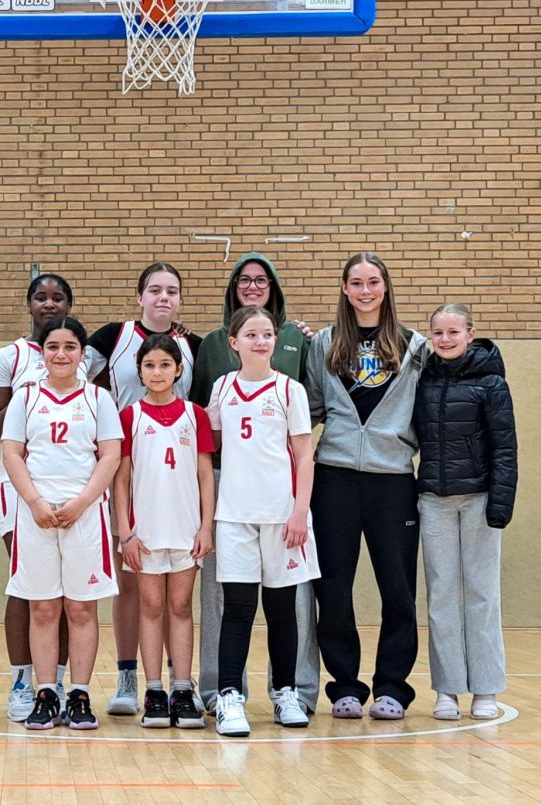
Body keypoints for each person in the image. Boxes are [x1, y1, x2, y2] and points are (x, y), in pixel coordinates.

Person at [188, 253, 316, 714]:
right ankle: (229, 695)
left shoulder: (290, 390)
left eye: (267, 335)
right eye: (251, 335)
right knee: (237, 608)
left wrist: (300, 512)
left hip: (282, 515)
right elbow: (211, 442)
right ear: (234, 342)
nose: (260, 341)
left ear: (276, 339)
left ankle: (285, 693)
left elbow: (304, 455)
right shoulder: (222, 387)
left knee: (282, 609)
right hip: (234, 515)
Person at [305, 252, 427, 720]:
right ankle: (346, 687)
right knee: (333, 588)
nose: (365, 291)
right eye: (356, 283)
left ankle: (393, 686)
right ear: (344, 288)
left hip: (392, 480)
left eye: (373, 281)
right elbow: (312, 407)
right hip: (334, 477)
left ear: (385, 286)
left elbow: (428, 410)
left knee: (397, 588)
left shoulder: (415, 346)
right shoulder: (325, 343)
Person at [86, 262, 200, 716]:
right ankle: (130, 677)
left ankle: (179, 684)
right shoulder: (112, 338)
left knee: (175, 599)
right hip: (127, 475)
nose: (163, 297)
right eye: (154, 290)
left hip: (176, 482)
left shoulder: (192, 345)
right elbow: (65, 368)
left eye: (172, 290)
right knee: (132, 587)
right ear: (140, 297)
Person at [0, 316, 123, 731]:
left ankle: (80, 694)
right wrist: (35, 502)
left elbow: (110, 455)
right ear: (42, 353)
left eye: (70, 347)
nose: (61, 354)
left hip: (85, 513)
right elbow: (12, 453)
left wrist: (83, 502)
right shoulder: (25, 398)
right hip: (35, 514)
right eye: (53, 346)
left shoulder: (98, 399)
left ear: (82, 354)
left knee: (82, 608)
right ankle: (47, 693)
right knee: (43, 607)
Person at [0, 273, 80, 721]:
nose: (49, 304)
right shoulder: (10, 357)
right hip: (19, 488)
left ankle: (55, 681)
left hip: (71, 487)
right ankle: (23, 680)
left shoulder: (82, 354)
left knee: (67, 590)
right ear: (29, 304)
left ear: (69, 305)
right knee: (27, 583)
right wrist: (29, 395)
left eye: (58, 298)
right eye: (41, 297)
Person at [413, 304, 517, 721]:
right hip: (433, 500)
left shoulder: (492, 383)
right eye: (437, 333)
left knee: (481, 594)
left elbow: (505, 448)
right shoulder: (422, 378)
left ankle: (486, 690)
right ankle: (448, 690)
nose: (445, 339)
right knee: (441, 595)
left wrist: (500, 505)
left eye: (453, 332)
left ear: (470, 334)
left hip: (479, 499)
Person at [112, 334, 214, 729]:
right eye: (149, 365)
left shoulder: (195, 415)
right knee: (151, 607)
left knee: (181, 607)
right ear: (139, 371)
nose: (157, 372)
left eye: (165, 365)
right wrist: (126, 533)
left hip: (186, 529)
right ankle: (154, 691)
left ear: (178, 369)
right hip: (146, 532)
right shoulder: (130, 417)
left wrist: (206, 526)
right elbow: (121, 480)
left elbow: (205, 475)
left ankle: (182, 689)